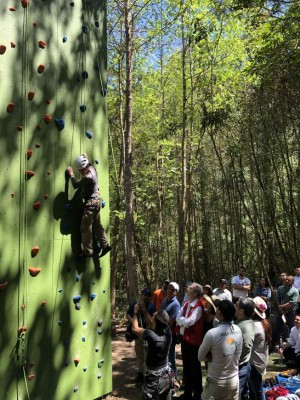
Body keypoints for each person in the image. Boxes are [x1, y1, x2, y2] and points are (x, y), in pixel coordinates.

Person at [66, 154, 112, 258]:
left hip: (91, 204)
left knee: (85, 227)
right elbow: (88, 163)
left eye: (80, 171)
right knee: (97, 225)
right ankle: (105, 246)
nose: (81, 173)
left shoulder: (87, 177)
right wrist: (85, 156)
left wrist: (71, 174)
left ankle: (87, 252)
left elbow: (75, 185)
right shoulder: (93, 169)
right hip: (97, 203)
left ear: (83, 168)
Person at [198, 300, 243, 400]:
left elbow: (200, 356)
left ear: (220, 313)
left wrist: (211, 355)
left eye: (217, 309)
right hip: (233, 381)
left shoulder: (212, 333)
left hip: (216, 383)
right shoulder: (238, 330)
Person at [132, 308, 173, 400]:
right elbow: (153, 323)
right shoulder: (168, 331)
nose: (152, 318)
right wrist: (143, 309)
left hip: (153, 378)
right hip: (166, 374)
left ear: (155, 321)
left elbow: (135, 328)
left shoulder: (150, 335)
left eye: (153, 317)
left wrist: (135, 313)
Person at [176, 283, 205, 400]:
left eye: (190, 288)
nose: (187, 289)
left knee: (195, 368)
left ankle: (197, 394)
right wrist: (182, 320)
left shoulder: (198, 306)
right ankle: (187, 392)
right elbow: (179, 317)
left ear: (195, 293)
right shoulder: (187, 303)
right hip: (185, 340)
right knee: (186, 367)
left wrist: (181, 320)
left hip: (193, 342)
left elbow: (188, 322)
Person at [126, 288, 156, 383]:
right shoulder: (135, 304)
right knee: (139, 354)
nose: (146, 297)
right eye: (145, 295)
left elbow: (152, 322)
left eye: (148, 296)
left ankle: (147, 375)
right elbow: (127, 314)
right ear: (141, 294)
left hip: (147, 334)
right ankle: (140, 373)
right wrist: (133, 322)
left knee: (147, 355)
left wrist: (143, 310)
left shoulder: (151, 307)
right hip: (137, 335)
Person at [249, 297, 272, 400]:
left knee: (257, 391)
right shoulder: (262, 323)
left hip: (254, 362)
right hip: (259, 360)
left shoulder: (254, 325)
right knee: (254, 390)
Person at [234, 298, 255, 399]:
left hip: (240, 367)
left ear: (242, 311)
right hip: (240, 366)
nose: (234, 306)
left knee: (237, 395)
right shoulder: (241, 323)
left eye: (236, 305)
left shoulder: (244, 327)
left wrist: (234, 361)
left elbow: (246, 347)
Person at [272, 275, 299, 348]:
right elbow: (277, 298)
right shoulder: (280, 288)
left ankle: (290, 344)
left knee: (290, 328)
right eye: (286, 279)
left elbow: (292, 303)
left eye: (289, 280)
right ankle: (275, 343)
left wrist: (282, 307)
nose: (286, 281)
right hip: (280, 311)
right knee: (276, 326)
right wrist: (280, 308)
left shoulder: (295, 291)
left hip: (290, 312)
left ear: (292, 282)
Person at [160, 282, 181, 378]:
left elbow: (171, 322)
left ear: (176, 292)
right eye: (169, 288)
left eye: (173, 290)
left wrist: (162, 333)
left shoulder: (176, 304)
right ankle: (167, 378)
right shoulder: (165, 300)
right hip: (162, 332)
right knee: (165, 356)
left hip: (169, 334)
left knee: (170, 357)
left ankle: (174, 379)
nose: (170, 291)